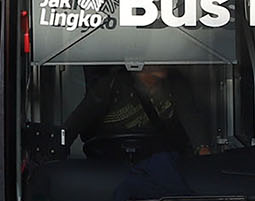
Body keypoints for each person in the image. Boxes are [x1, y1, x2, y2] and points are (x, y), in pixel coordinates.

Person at [63, 65, 206, 158]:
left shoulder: (175, 84)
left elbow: (190, 116)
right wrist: (58, 149)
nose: (157, 71)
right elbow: (78, 119)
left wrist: (202, 149)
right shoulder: (111, 84)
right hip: (110, 161)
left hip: (161, 160)